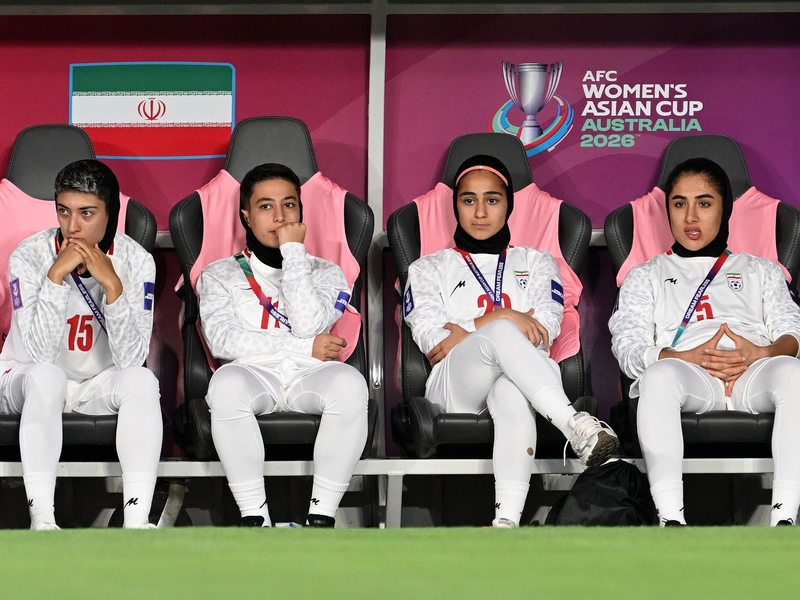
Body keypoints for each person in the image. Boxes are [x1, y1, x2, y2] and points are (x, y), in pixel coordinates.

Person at [403, 155, 619, 528]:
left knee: (511, 390)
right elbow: (433, 339)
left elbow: (547, 327)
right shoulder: (426, 268)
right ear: (456, 206)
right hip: (455, 384)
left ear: (509, 205)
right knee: (503, 333)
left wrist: (466, 329)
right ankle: (575, 425)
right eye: (469, 200)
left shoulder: (538, 261)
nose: (480, 211)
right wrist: (503, 317)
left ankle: (506, 522)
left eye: (492, 199)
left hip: (524, 379)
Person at [609, 157, 800, 526]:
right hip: (688, 377)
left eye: (704, 203)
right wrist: (682, 356)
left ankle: (785, 518)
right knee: (659, 376)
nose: (691, 217)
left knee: (793, 371)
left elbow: (793, 333)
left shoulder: (762, 270)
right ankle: (670, 519)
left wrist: (762, 353)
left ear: (725, 208)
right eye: (679, 204)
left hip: (754, 374)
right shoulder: (645, 274)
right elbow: (627, 349)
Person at [197, 163, 368, 528]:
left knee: (350, 384)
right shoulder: (219, 274)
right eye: (265, 206)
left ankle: (321, 517)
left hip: (310, 377)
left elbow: (308, 323)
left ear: (302, 213)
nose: (279, 216)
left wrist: (294, 252)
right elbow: (223, 341)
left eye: (289, 205)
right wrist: (303, 348)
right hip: (254, 375)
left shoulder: (329, 273)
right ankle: (255, 519)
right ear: (245, 215)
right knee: (226, 385)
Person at [0, 159, 162, 530]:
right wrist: (56, 276)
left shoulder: (137, 261)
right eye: (64, 211)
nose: (72, 226)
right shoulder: (30, 254)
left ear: (111, 214)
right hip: (24, 378)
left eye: (87, 213)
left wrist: (114, 288)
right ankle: (42, 519)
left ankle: (137, 520)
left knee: (142, 382)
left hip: (94, 384)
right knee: (48, 377)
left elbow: (131, 360)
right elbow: (39, 353)